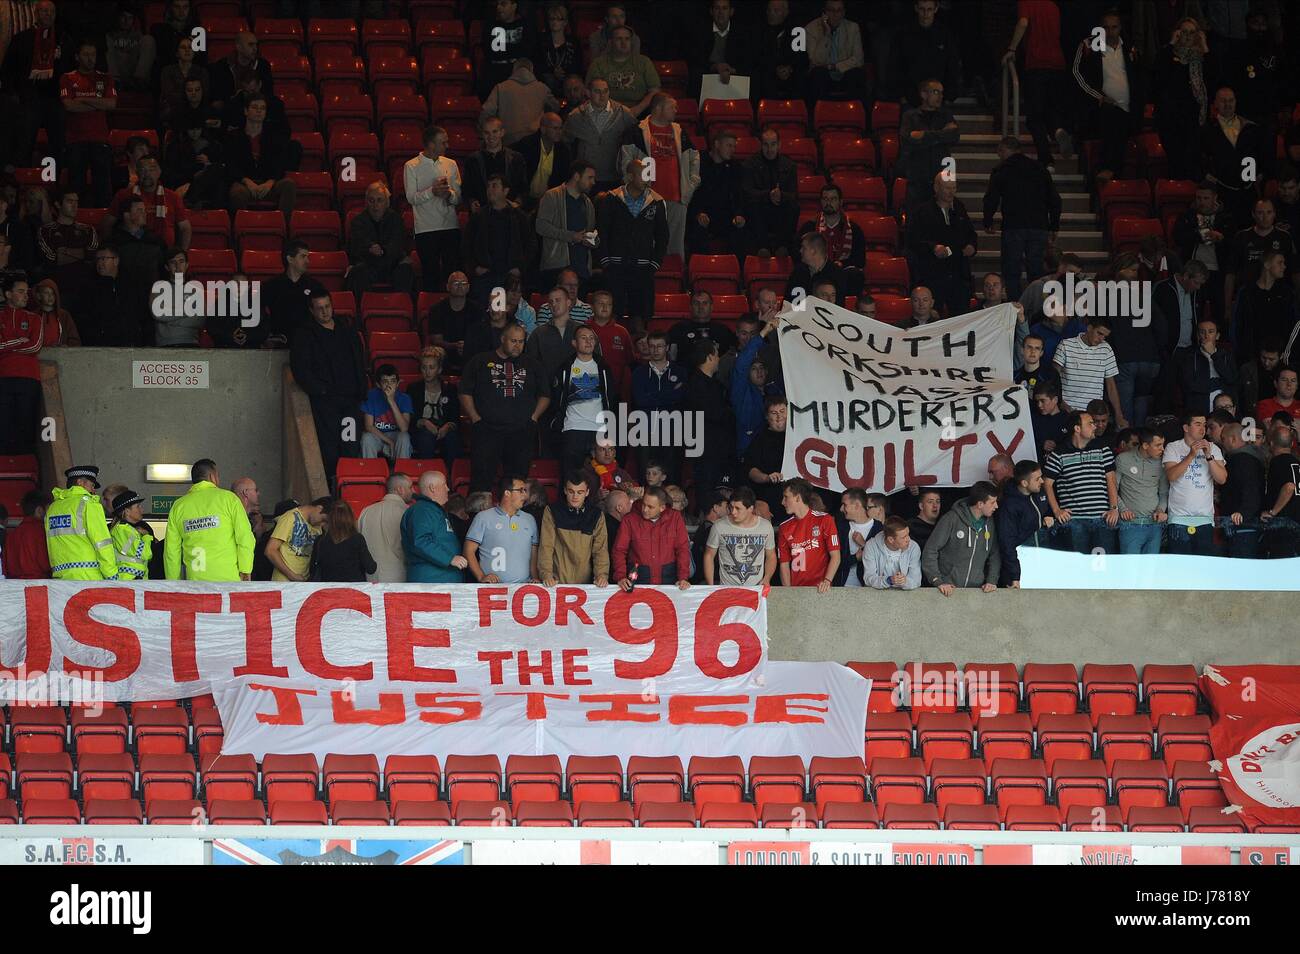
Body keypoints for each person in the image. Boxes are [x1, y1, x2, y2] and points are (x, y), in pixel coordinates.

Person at [460, 322, 549, 492]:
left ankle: (513, 518)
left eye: (521, 341)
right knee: (481, 480)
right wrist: (475, 417)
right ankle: (477, 517)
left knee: (517, 482)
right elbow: (464, 391)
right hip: (487, 430)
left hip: (521, 431)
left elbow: (545, 395)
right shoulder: (480, 361)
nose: (518, 345)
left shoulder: (533, 364)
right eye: (513, 341)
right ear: (502, 339)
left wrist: (534, 418)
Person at [290, 291, 367, 487]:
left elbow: (359, 360)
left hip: (350, 400)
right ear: (311, 310)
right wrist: (321, 391)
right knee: (329, 446)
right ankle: (332, 487)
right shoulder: (305, 334)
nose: (325, 312)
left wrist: (361, 390)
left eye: (327, 307)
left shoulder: (346, 328)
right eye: (319, 308)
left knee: (350, 444)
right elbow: (301, 369)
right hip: (325, 403)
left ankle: (350, 484)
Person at [617, 92, 699, 260]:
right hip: (646, 199)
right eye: (672, 107)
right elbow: (625, 165)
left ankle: (675, 281)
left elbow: (694, 159)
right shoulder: (636, 132)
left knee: (675, 248)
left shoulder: (680, 132)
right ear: (658, 108)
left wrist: (690, 185)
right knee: (645, 245)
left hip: (677, 199)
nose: (676, 110)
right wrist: (635, 192)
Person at [1070, 9, 1143, 185]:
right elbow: (1076, 73)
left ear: (1120, 28)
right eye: (1106, 27)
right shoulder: (1090, 45)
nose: (1110, 31)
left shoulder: (1130, 47)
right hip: (1100, 108)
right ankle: (1107, 169)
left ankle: (1112, 173)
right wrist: (1099, 97)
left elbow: (1140, 77)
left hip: (1128, 107)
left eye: (1114, 27)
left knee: (1121, 131)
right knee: (1112, 124)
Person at [983, 136, 1060, 299]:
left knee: (1012, 272)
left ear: (1005, 149)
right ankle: (1037, 308)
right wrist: (1053, 226)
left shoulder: (1002, 169)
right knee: (1036, 272)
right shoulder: (1039, 168)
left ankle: (1014, 308)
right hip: (1038, 226)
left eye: (1000, 151)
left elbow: (991, 197)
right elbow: (1054, 199)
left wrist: (988, 220)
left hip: (1013, 226)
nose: (999, 155)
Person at [595, 157, 667, 327]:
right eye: (643, 175)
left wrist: (654, 264)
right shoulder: (611, 199)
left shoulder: (656, 202)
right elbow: (602, 232)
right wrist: (605, 260)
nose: (647, 179)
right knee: (613, 315)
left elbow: (663, 236)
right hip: (615, 266)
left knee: (641, 316)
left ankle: (640, 349)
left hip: (643, 268)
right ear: (630, 176)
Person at [1003, 0, 1073, 172]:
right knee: (1051, 109)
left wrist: (1012, 49)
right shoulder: (1054, 6)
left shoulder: (1027, 3)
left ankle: (1046, 159)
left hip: (1037, 64)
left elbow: (1023, 22)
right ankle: (1057, 130)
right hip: (1058, 63)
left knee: (1034, 117)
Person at [163, 458, 257, 581]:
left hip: (195, 582)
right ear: (212, 477)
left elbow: (171, 551)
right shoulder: (229, 499)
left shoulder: (179, 506)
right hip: (228, 580)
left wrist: (173, 582)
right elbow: (245, 537)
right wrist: (245, 569)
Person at [1043, 410, 1120, 555]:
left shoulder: (1103, 448)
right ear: (1077, 429)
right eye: (1090, 423)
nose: (1095, 426)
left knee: (1102, 567)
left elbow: (1111, 479)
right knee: (1077, 569)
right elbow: (1047, 483)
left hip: (1102, 517)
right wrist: (1057, 510)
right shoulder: (1059, 453)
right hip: (1074, 521)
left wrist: (1114, 508)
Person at [907, 174, 978, 318]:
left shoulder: (959, 208)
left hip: (958, 273)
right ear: (936, 188)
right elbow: (913, 240)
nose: (951, 192)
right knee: (933, 316)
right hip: (932, 274)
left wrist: (972, 245)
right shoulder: (922, 211)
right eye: (947, 188)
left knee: (960, 316)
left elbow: (971, 233)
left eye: (954, 188)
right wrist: (933, 247)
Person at [1201, 87, 1270, 224]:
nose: (1227, 104)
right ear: (1215, 103)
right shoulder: (1206, 131)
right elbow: (1197, 158)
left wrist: (1262, 174)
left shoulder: (1252, 128)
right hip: (1222, 192)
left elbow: (1263, 154)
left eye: (1231, 100)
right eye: (1223, 101)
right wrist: (1206, 175)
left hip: (1249, 191)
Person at [405, 126, 462, 292]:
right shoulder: (411, 166)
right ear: (430, 144)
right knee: (431, 275)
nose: (447, 145)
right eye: (443, 142)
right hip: (426, 228)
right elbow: (411, 198)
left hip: (450, 226)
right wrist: (432, 191)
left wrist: (448, 194)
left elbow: (458, 197)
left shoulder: (451, 164)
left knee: (452, 272)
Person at [60, 40, 116, 207]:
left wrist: (83, 99)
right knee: (76, 184)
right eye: (86, 54)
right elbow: (69, 105)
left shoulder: (105, 78)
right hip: (75, 139)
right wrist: (98, 103)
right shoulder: (68, 77)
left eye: (93, 54)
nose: (90, 58)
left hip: (100, 139)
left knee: (103, 184)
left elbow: (111, 104)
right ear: (77, 57)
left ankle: (103, 216)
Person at [464, 174, 535, 305]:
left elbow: (530, 245)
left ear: (506, 191)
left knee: (508, 315)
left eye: (495, 186)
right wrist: (475, 267)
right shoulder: (478, 217)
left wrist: (520, 267)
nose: (490, 190)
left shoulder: (520, 217)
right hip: (485, 276)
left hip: (510, 276)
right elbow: (466, 245)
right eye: (488, 186)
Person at [1163, 411, 1227, 556]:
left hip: (1204, 519)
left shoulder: (1213, 448)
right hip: (1179, 518)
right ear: (1186, 428)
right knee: (1180, 569)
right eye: (1198, 424)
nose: (1202, 429)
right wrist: (1191, 454)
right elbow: (1172, 476)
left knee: (1202, 569)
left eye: (1204, 425)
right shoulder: (1173, 447)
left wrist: (1208, 456)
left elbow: (1222, 479)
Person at [225, 93, 296, 223]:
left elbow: (280, 163)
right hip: (245, 184)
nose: (259, 111)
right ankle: (243, 228)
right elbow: (231, 165)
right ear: (246, 111)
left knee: (288, 185)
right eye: (255, 107)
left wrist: (270, 182)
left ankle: (282, 226)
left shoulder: (273, 137)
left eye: (262, 108)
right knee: (237, 193)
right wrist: (247, 181)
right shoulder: (234, 137)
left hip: (268, 183)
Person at [553, 325, 615, 473]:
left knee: (601, 477)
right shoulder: (565, 367)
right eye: (583, 338)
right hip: (573, 427)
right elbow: (557, 398)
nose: (589, 341)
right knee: (570, 476)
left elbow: (610, 397)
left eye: (591, 338)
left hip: (599, 428)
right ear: (574, 343)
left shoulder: (603, 367)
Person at [921, 481, 1001, 594]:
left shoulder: (990, 524)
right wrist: (937, 580)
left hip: (976, 592)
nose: (996, 506)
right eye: (992, 502)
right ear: (980, 504)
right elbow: (930, 550)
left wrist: (991, 580)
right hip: (947, 591)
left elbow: (995, 555)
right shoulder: (951, 519)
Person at [1224, 199, 1296, 325]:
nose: (1265, 217)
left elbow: (1295, 272)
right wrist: (1228, 307)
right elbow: (1231, 274)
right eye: (1260, 212)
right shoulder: (1241, 237)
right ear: (1253, 214)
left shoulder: (1284, 238)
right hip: (1248, 298)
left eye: (1269, 212)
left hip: (1278, 298)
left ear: (1274, 214)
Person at [102, 153, 190, 251]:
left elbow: (185, 228)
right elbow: (108, 223)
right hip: (131, 250)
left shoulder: (173, 197)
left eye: (151, 169)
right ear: (137, 173)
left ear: (159, 172)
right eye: (142, 170)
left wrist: (183, 252)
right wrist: (109, 249)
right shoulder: (123, 195)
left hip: (164, 252)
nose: (147, 174)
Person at [1173, 182, 1232, 328]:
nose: (1202, 202)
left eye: (1206, 198)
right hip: (1194, 271)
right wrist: (1198, 235)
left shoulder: (1226, 217)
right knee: (1193, 311)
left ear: (1215, 198)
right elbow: (1178, 238)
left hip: (1218, 271)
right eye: (1199, 198)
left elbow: (1234, 244)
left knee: (1219, 310)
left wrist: (1221, 238)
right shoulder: (1187, 216)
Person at [563, 78, 638, 193]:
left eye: (605, 91)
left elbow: (636, 138)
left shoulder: (623, 113)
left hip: (614, 176)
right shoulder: (576, 116)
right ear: (588, 93)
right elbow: (565, 142)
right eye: (597, 91)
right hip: (585, 178)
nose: (602, 95)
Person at [899, 78, 961, 213]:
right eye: (935, 92)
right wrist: (941, 135)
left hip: (940, 176)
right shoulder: (910, 116)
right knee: (916, 218)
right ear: (923, 94)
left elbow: (954, 137)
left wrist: (924, 136)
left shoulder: (945, 115)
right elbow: (908, 140)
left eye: (941, 93)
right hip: (918, 177)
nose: (940, 96)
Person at [45, 465, 116, 580]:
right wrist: (112, 575)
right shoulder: (89, 504)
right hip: (89, 577)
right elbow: (102, 543)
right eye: (92, 485)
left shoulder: (52, 508)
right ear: (80, 483)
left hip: (60, 577)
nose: (94, 491)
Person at [464, 474, 539, 584]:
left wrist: (535, 577)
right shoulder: (483, 517)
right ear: (507, 493)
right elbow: (468, 551)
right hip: (491, 589)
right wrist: (481, 577)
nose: (525, 495)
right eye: (521, 490)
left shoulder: (529, 519)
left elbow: (533, 554)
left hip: (523, 591)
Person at [539, 470, 610, 586]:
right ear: (565, 490)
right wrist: (546, 574)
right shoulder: (552, 511)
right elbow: (546, 546)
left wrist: (601, 575)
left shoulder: (596, 515)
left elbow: (600, 550)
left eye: (580, 492)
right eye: (571, 491)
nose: (575, 496)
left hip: (585, 584)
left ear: (587, 492)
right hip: (555, 583)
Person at [613, 485, 691, 589]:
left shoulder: (675, 518)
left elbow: (682, 549)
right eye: (643, 504)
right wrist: (621, 576)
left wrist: (683, 578)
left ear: (662, 508)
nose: (645, 509)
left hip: (669, 578)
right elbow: (619, 550)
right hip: (637, 578)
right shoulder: (629, 520)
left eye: (650, 507)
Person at [689, 130, 750, 260]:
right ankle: (700, 270)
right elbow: (692, 193)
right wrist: (699, 213)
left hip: (725, 215)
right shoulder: (699, 162)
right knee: (696, 229)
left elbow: (739, 194)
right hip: (703, 214)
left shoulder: (735, 167)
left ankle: (736, 272)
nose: (732, 150)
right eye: (729, 145)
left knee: (741, 230)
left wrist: (739, 215)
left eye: (734, 146)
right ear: (717, 144)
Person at [1053, 316, 1124, 426]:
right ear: (1089, 328)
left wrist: (1119, 415)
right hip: (1067, 411)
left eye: (1105, 336)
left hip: (1094, 414)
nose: (1101, 339)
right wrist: (1061, 403)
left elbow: (1111, 385)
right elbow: (1053, 377)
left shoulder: (1106, 349)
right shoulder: (1066, 345)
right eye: (1099, 333)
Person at [346, 182, 414, 298]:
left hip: (392, 264)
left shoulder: (396, 220)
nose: (375, 205)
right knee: (357, 272)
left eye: (379, 200)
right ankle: (363, 310)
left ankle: (400, 308)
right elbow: (356, 245)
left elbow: (398, 245)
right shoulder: (358, 221)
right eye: (371, 200)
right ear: (366, 202)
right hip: (368, 265)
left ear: (387, 202)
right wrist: (370, 247)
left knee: (405, 271)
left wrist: (383, 250)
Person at [536, 160, 597, 287]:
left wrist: (592, 240)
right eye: (589, 177)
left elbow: (591, 231)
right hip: (557, 267)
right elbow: (541, 226)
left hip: (581, 268)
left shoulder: (588, 203)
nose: (593, 182)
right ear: (576, 176)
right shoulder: (552, 196)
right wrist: (571, 236)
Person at [888, 0, 962, 106]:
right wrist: (901, 95)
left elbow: (952, 66)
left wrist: (949, 96)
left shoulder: (945, 35)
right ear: (916, 8)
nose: (925, 14)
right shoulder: (904, 34)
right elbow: (895, 65)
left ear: (936, 9)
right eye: (922, 9)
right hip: (911, 96)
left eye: (929, 9)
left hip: (938, 97)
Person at [687, 340, 736, 497]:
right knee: (706, 487)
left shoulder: (712, 383)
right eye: (716, 355)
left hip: (714, 447)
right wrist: (730, 412)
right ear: (709, 357)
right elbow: (714, 413)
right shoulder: (697, 384)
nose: (719, 359)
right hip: (706, 448)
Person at [0, 276, 43, 454]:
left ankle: (25, 462)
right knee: (3, 422)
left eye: (27, 292)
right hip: (3, 376)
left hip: (28, 378)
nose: (26, 296)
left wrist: (8, 347)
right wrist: (19, 341)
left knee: (26, 422)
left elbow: (35, 346)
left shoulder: (34, 318)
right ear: (8, 294)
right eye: (21, 291)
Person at [257, 239, 327, 349]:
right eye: (303, 257)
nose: (307, 261)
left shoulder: (315, 286)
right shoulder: (271, 286)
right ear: (290, 259)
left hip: (309, 344)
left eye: (307, 257)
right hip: (279, 343)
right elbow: (258, 313)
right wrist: (267, 335)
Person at [741, 127, 799, 257]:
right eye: (766, 145)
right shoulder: (749, 165)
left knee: (794, 207)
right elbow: (747, 193)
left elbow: (794, 195)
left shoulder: (789, 165)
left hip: (780, 210)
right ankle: (762, 247)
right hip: (760, 210)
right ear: (761, 145)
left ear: (779, 145)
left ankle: (782, 247)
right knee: (751, 206)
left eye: (773, 144)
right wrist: (768, 195)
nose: (769, 149)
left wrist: (781, 196)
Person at [703, 486, 776, 586]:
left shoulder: (766, 526)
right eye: (731, 507)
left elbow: (771, 556)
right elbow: (709, 555)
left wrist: (767, 578)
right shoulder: (719, 526)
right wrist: (710, 586)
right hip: (727, 590)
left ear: (750, 508)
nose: (733, 512)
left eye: (738, 508)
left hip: (755, 590)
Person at [776, 478, 840, 592]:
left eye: (786, 497)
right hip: (797, 592)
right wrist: (788, 592)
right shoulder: (784, 527)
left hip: (820, 590)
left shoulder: (825, 520)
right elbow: (784, 564)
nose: (782, 502)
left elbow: (836, 556)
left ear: (798, 497)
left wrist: (827, 581)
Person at [996, 460, 1053, 585]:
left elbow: (1048, 510)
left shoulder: (1039, 494)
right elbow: (1007, 543)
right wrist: (1014, 576)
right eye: (1037, 479)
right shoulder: (1009, 505)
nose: (1042, 481)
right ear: (1024, 483)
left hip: (1043, 560)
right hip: (1021, 567)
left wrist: (1049, 516)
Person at [480, 59, 560, 148]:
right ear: (532, 70)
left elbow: (486, 111)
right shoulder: (542, 88)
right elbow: (556, 107)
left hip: (508, 141)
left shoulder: (501, 87)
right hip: (534, 141)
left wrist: (482, 132)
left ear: (513, 70)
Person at [1233, 250, 1295, 364]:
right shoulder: (1246, 292)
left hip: (1278, 356)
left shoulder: (1287, 293)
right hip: (1251, 355)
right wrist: (1241, 354)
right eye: (1280, 263)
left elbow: (1292, 324)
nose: (1284, 266)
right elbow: (1238, 325)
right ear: (1267, 265)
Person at [1115, 428, 1170, 555]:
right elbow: (1113, 489)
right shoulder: (1123, 459)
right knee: (1130, 570)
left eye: (1163, 444)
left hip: (1154, 525)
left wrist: (1161, 510)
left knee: (1150, 570)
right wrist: (1122, 509)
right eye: (1158, 445)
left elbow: (1163, 493)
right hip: (1130, 524)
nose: (1162, 449)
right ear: (1145, 445)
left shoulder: (1162, 463)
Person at [585, 24, 659, 117]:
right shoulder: (598, 64)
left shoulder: (644, 62)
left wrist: (637, 109)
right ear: (610, 42)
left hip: (640, 112)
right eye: (619, 39)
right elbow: (591, 92)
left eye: (627, 39)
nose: (624, 42)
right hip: (606, 112)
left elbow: (654, 90)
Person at [72, 245, 138, 346]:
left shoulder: (130, 285)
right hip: (98, 346)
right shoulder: (87, 288)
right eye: (97, 259)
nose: (99, 263)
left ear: (116, 261)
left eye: (103, 259)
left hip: (127, 345)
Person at [804, 0, 865, 106]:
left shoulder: (852, 28)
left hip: (844, 72)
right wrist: (827, 34)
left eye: (839, 10)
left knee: (856, 75)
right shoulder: (811, 29)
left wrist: (834, 66)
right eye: (831, 10)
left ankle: (853, 115)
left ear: (844, 12)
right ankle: (821, 115)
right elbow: (815, 60)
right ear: (825, 12)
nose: (835, 14)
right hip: (823, 75)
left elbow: (859, 59)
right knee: (818, 74)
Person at [422, 272, 485, 373]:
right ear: (448, 287)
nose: (460, 286)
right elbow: (436, 340)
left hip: (470, 353)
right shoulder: (436, 309)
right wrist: (455, 346)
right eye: (456, 283)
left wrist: (467, 346)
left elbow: (480, 337)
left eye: (463, 283)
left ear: (468, 287)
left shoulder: (477, 309)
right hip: (445, 354)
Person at [463, 116, 528, 212]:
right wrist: (472, 202)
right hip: (482, 214)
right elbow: (467, 189)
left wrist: (517, 203)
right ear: (482, 134)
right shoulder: (473, 160)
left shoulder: (516, 159)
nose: (491, 136)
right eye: (486, 133)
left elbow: (523, 188)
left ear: (502, 133)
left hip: (509, 214)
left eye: (494, 132)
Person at [1218, 422, 1264, 558]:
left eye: (1223, 439)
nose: (1222, 442)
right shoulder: (1251, 458)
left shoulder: (1242, 460)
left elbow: (1251, 489)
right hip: (1244, 523)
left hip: (1242, 525)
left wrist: (1243, 512)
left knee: (1241, 571)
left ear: (1232, 439)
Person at [357, 472, 413, 583]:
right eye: (410, 487)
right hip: (400, 577)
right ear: (400, 489)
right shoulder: (407, 512)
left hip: (371, 578)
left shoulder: (366, 511)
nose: (414, 491)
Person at [407, 346, 460, 463]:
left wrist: (447, 426)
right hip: (422, 431)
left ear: (439, 369)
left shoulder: (449, 389)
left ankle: (451, 474)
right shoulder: (413, 389)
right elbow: (410, 419)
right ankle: (426, 473)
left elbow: (455, 417)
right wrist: (424, 422)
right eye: (424, 367)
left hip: (443, 428)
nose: (427, 372)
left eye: (431, 367)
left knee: (452, 437)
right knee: (426, 437)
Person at [1177, 318, 1238, 415]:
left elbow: (1231, 379)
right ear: (1198, 336)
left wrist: (1214, 355)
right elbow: (1189, 384)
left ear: (1217, 336)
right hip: (1199, 404)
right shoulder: (1190, 356)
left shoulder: (1226, 355)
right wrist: (1216, 383)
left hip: (1224, 402)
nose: (1206, 336)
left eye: (1211, 332)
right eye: (1202, 332)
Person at [479, 0, 538, 98]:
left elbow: (528, 52)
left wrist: (506, 50)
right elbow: (491, 52)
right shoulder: (491, 25)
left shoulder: (526, 25)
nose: (498, 7)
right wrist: (514, 49)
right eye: (497, 4)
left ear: (514, 6)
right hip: (495, 71)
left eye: (503, 4)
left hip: (518, 71)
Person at [307, 499, 376, 583]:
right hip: (352, 591)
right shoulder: (357, 539)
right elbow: (371, 568)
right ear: (350, 517)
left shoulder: (320, 541)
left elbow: (312, 569)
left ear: (330, 518)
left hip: (328, 591)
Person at [1260, 424, 1300, 558]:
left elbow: (1289, 487)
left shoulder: (1278, 462)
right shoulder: (1297, 462)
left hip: (1284, 526)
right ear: (1292, 443)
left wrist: (1272, 512)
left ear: (1271, 443)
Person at [756, 0, 808, 101]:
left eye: (776, 11)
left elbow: (802, 57)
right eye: (769, 10)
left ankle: (796, 113)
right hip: (769, 72)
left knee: (800, 77)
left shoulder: (797, 30)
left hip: (790, 73)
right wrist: (775, 68)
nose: (771, 14)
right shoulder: (760, 30)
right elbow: (758, 57)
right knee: (761, 76)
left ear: (786, 12)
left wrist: (789, 68)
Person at [361, 364, 414, 461]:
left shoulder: (404, 398)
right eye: (385, 381)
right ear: (378, 384)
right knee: (366, 437)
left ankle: (402, 472)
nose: (389, 385)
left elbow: (404, 428)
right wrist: (389, 442)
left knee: (404, 437)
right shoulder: (371, 395)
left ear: (398, 383)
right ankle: (370, 472)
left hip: (396, 435)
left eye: (393, 381)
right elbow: (368, 426)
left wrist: (391, 401)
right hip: (378, 435)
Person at [836, 488, 884, 587]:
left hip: (869, 589)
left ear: (857, 505)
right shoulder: (840, 527)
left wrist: (864, 544)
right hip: (841, 587)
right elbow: (834, 561)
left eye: (845, 505)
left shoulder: (879, 528)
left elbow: (884, 560)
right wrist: (855, 558)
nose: (841, 509)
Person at [861, 517, 923, 591]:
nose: (908, 539)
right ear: (891, 540)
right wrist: (888, 580)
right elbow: (868, 578)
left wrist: (904, 581)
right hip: (877, 595)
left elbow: (916, 580)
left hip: (905, 596)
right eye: (904, 537)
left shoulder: (913, 547)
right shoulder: (871, 546)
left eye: (908, 534)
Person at [3, 488, 51, 579]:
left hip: (15, 588)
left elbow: (6, 568)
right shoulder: (42, 531)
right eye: (48, 509)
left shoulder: (11, 535)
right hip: (40, 586)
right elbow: (46, 564)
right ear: (40, 510)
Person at [107, 490, 154, 581]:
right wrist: (146, 537)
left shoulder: (126, 530)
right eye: (138, 506)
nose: (142, 509)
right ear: (127, 511)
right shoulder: (123, 530)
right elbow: (145, 554)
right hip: (129, 581)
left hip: (132, 580)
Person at [538, 3, 580, 97]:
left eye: (559, 19)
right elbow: (537, 65)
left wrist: (563, 73)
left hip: (568, 80)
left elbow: (577, 65)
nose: (555, 22)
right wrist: (553, 71)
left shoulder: (574, 42)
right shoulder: (541, 42)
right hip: (546, 82)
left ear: (565, 22)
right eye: (552, 19)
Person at [1240, 343, 1283, 415]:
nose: (1266, 363)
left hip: (1277, 415)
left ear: (1281, 356)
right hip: (1252, 415)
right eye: (1263, 358)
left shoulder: (1286, 372)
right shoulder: (1248, 369)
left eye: (1271, 359)